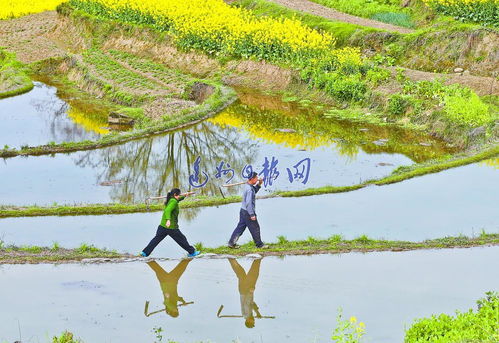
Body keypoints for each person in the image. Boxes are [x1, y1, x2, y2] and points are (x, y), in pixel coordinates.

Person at [140, 188, 200, 257]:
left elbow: (177, 199)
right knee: (182, 239)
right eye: (178, 195)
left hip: (162, 226)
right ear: (175, 194)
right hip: (171, 227)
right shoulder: (173, 202)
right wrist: (168, 220)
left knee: (155, 240)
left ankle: (145, 253)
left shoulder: (170, 200)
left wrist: (185, 195)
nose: (179, 196)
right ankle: (192, 252)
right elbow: (167, 210)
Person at [228, 172, 268, 249]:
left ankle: (231, 243)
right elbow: (248, 203)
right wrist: (252, 214)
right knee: (255, 228)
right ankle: (260, 245)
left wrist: (259, 184)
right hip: (247, 212)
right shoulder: (249, 189)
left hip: (243, 211)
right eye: (256, 178)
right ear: (252, 179)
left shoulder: (248, 186)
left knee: (240, 227)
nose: (257, 179)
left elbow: (254, 191)